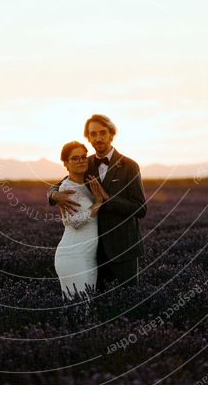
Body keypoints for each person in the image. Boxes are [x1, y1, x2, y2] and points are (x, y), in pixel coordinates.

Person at [48, 114, 147, 290]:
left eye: (103, 133)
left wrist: (108, 199)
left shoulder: (130, 166)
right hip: (94, 253)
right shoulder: (87, 163)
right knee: (98, 305)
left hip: (123, 249)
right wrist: (54, 196)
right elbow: (58, 185)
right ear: (88, 138)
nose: (98, 138)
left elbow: (140, 208)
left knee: (129, 301)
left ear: (111, 135)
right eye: (93, 134)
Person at [53, 141, 107, 302]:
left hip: (89, 256)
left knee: (86, 308)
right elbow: (74, 221)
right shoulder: (65, 188)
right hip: (73, 255)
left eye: (83, 157)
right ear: (66, 163)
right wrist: (97, 204)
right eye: (75, 158)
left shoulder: (88, 184)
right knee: (78, 309)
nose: (81, 161)